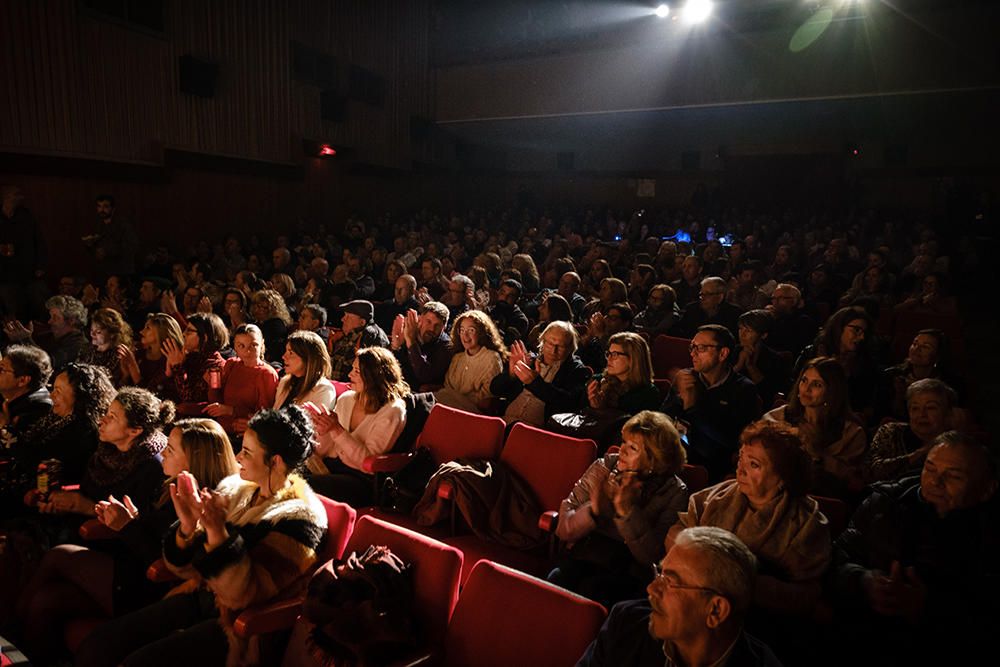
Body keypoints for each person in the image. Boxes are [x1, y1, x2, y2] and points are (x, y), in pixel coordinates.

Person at [73, 406, 327, 667]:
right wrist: (187, 526)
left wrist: (217, 533)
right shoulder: (236, 490)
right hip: (198, 597)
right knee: (99, 644)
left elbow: (244, 594)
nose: (238, 456)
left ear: (275, 462)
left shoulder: (300, 518)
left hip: (237, 625)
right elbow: (183, 567)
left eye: (248, 453)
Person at [16, 419, 239, 664]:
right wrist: (132, 519)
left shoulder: (204, 502)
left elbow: (165, 561)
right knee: (48, 599)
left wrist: (128, 526)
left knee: (59, 555)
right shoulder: (168, 484)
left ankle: (12, 632)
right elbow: (152, 531)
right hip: (131, 566)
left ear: (195, 460)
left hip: (148, 585)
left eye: (171, 449)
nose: (163, 451)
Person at [830, 432, 999, 665]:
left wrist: (928, 608)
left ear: (987, 489)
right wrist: (864, 580)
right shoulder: (885, 503)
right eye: (930, 469)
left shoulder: (989, 534)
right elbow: (836, 558)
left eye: (954, 476)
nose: (935, 482)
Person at [666, 421, 831, 616]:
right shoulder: (714, 498)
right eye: (741, 459)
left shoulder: (805, 525)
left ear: (783, 477)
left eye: (754, 465)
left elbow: (806, 593)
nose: (740, 470)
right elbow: (676, 531)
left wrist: (742, 583)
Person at [577, 526, 782, 667]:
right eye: (660, 573)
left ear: (716, 610)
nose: (651, 589)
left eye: (670, 581)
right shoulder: (626, 623)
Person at [550, 411, 689, 608]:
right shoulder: (604, 466)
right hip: (587, 554)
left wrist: (627, 512)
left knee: (597, 593)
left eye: (632, 448)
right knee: (556, 580)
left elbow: (655, 557)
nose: (621, 450)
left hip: (630, 571)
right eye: (623, 442)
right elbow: (563, 529)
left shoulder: (675, 491)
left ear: (654, 460)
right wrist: (593, 512)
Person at [23, 387, 175, 539]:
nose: (101, 420)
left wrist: (86, 507)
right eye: (107, 413)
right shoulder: (108, 447)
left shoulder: (152, 466)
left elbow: (135, 525)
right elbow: (85, 487)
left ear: (134, 431)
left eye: (112, 417)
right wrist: (61, 495)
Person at [305, 346, 410, 506]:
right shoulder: (347, 399)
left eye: (356, 371)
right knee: (282, 472)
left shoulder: (392, 411)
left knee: (303, 486)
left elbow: (368, 463)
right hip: (332, 466)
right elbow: (327, 449)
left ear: (374, 376)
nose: (349, 374)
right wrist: (321, 428)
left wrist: (336, 429)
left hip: (361, 479)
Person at [3, 363, 115, 511]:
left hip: (53, 497)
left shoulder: (83, 430)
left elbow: (35, 461)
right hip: (30, 487)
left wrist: (5, 429)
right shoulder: (56, 416)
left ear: (79, 396)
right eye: (52, 389)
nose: (51, 395)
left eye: (58, 391)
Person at [661, 325, 761, 482]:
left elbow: (734, 440)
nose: (693, 353)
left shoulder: (743, 389)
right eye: (692, 347)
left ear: (723, 353)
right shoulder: (687, 378)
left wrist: (692, 408)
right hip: (675, 452)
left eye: (701, 348)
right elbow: (662, 419)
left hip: (713, 465)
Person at [764, 357, 866, 498]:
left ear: (832, 391)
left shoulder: (851, 432)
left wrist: (816, 453)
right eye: (804, 381)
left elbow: (850, 481)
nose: (807, 389)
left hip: (822, 498)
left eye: (817, 385)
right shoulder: (780, 416)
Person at [490, 321, 591, 426]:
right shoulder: (530, 360)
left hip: (538, 431)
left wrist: (535, 383)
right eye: (550, 344)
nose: (553, 350)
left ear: (570, 348)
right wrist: (511, 374)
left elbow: (569, 404)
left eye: (560, 346)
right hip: (506, 421)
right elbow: (494, 389)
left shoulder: (576, 370)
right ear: (542, 341)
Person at [792, 306, 878, 421]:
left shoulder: (865, 363)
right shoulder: (811, 353)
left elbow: (862, 403)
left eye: (864, 333)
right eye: (856, 330)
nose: (862, 337)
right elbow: (794, 385)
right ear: (839, 328)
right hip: (804, 414)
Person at [864, 378, 957, 483]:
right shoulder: (891, 432)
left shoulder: (956, 445)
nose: (922, 415)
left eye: (931, 408)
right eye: (915, 408)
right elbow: (870, 472)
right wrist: (921, 453)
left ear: (947, 413)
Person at [205, 324, 279, 437]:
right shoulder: (232, 364)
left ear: (262, 345)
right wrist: (213, 384)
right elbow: (216, 401)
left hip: (245, 434)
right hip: (220, 429)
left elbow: (264, 416)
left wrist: (231, 410)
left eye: (253, 345)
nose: (247, 351)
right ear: (234, 346)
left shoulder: (266, 374)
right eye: (241, 346)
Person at [875, 329, 962, 422]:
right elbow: (879, 412)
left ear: (938, 356)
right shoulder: (891, 375)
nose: (916, 349)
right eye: (915, 344)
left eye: (925, 347)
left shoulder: (949, 383)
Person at [434, 309, 506, 414]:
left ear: (481, 332)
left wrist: (457, 399)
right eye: (462, 330)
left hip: (472, 412)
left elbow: (486, 398)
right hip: (448, 406)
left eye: (471, 330)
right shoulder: (457, 358)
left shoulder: (491, 358)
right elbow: (447, 386)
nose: (465, 335)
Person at [584, 331, 660, 421]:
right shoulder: (596, 381)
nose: (609, 358)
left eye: (615, 354)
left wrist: (602, 409)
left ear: (633, 359)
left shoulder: (648, 394)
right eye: (608, 353)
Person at [4, 295, 91, 373]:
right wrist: (17, 340)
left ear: (71, 321)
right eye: (51, 317)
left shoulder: (79, 345)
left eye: (55, 317)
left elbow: (47, 363)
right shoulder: (50, 338)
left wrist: (26, 339)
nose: (50, 321)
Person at [164, 312, 227, 417]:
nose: (183, 334)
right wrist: (169, 369)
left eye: (189, 331)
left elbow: (189, 399)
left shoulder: (215, 366)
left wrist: (178, 366)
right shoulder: (189, 356)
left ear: (205, 337)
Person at [0, 184, 47, 322]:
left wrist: (41, 265)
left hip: (27, 270)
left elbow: (39, 240)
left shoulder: (26, 216)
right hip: (4, 274)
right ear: (6, 197)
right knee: (10, 308)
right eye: (16, 195)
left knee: (37, 304)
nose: (20, 198)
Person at [0, 344, 53, 452]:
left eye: (1, 369)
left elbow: (12, 452)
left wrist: (5, 425)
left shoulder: (38, 409)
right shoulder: (10, 396)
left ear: (22, 380)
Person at [733, 309, 789, 409]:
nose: (742, 334)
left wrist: (750, 366)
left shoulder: (775, 359)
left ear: (763, 335)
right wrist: (739, 365)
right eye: (741, 329)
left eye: (748, 330)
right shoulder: (731, 352)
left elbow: (769, 392)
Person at [391, 300, 452, 389]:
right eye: (429, 322)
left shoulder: (446, 346)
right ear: (420, 319)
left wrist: (411, 342)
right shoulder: (409, 331)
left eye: (437, 325)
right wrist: (396, 347)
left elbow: (424, 376)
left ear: (444, 327)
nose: (432, 328)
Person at [274, 330, 337, 411]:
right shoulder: (285, 382)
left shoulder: (323, 390)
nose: (283, 356)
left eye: (291, 353)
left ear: (308, 359)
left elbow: (315, 423)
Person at [328, 299, 390, 382]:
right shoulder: (342, 335)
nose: (342, 319)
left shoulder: (371, 336)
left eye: (348, 316)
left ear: (362, 322)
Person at [84, 194, 137, 280]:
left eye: (106, 207)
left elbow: (131, 246)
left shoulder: (123, 225)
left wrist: (107, 251)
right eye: (99, 206)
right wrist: (90, 245)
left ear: (113, 209)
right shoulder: (99, 225)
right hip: (104, 269)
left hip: (121, 271)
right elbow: (97, 249)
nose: (102, 210)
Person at [674, 277, 742, 338]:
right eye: (701, 294)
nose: (702, 298)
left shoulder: (734, 314)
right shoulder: (691, 309)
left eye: (707, 294)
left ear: (720, 297)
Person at [85, 307, 135, 386]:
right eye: (91, 330)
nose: (92, 334)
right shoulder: (88, 349)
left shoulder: (119, 356)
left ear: (112, 334)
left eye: (98, 332)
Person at [249, 288, 292, 364]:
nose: (259, 310)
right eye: (258, 306)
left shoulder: (276, 325)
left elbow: (275, 350)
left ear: (273, 309)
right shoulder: (257, 322)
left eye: (264, 307)